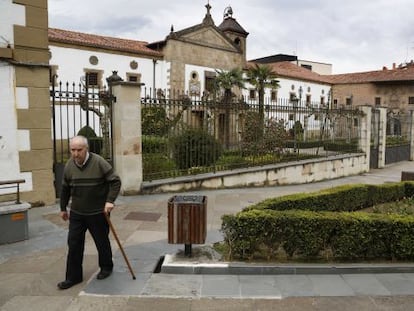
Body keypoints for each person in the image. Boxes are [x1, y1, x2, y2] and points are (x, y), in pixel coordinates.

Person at [57, 135, 121, 290]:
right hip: (77, 213)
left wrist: (110, 201)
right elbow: (65, 188)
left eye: (79, 150)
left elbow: (115, 181)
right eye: (73, 150)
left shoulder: (99, 162)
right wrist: (62, 208)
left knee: (101, 241)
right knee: (74, 244)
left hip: (98, 212)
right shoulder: (69, 166)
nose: (76, 153)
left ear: (86, 149)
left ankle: (106, 267)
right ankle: (73, 277)